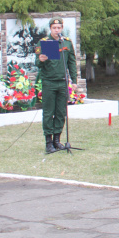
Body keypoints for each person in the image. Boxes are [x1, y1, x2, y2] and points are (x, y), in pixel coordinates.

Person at [36, 18, 78, 153]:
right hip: (49, 82)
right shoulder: (43, 42)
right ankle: (48, 143)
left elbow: (71, 62)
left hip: (62, 82)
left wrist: (74, 81)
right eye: (54, 28)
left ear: (62, 28)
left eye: (59, 28)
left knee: (61, 112)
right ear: (50, 28)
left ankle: (57, 140)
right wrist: (41, 60)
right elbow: (37, 62)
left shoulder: (66, 42)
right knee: (49, 112)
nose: (57, 30)